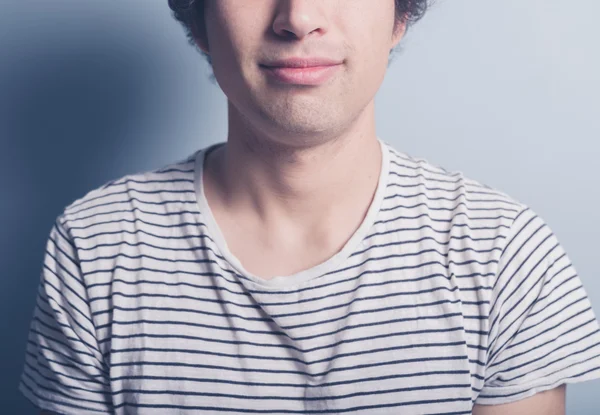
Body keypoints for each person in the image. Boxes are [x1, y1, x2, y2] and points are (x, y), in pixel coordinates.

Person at [19, 1, 600, 414]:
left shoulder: (504, 255)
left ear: (400, 16)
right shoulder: (97, 245)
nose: (297, 18)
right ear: (199, 20)